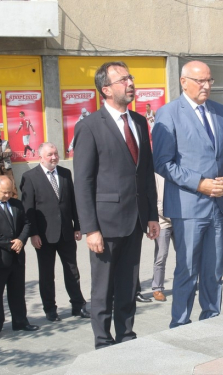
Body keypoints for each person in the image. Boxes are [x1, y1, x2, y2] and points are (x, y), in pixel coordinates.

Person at [73, 61, 160, 349]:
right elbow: (83, 182)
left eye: (131, 77)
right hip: (105, 224)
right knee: (103, 287)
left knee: (127, 284)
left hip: (135, 220)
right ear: (106, 89)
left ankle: (126, 335)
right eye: (124, 79)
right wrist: (90, 229)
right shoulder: (89, 126)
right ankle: (102, 340)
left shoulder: (137, 121)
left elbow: (145, 173)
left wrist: (151, 215)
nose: (131, 83)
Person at [152, 60, 223, 328]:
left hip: (219, 206)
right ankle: (179, 325)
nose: (206, 86)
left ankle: (211, 320)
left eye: (210, 80)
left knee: (213, 272)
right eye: (200, 81)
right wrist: (199, 183)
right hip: (188, 207)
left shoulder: (221, 112)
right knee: (187, 271)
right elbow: (163, 163)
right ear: (183, 81)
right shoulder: (168, 114)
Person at [20, 142, 89, 322]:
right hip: (44, 235)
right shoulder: (30, 177)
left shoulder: (65, 174)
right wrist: (33, 234)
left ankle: (78, 305)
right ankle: (50, 308)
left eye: (56, 154)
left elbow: (72, 202)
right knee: (47, 274)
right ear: (41, 156)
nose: (54, 157)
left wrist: (77, 226)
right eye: (50, 154)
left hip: (66, 232)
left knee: (72, 270)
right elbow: (28, 209)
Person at [0, 176, 39, 342]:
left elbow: (27, 224)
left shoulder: (17, 204)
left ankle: (20, 321)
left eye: (9, 192)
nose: (7, 195)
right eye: (4, 192)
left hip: (17, 257)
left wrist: (21, 240)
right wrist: (10, 244)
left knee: (17, 292)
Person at [151, 173, 173, 302]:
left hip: (179, 220)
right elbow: (156, 201)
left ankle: (183, 284)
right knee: (161, 256)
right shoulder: (156, 174)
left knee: (184, 255)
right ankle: (157, 288)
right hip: (162, 222)